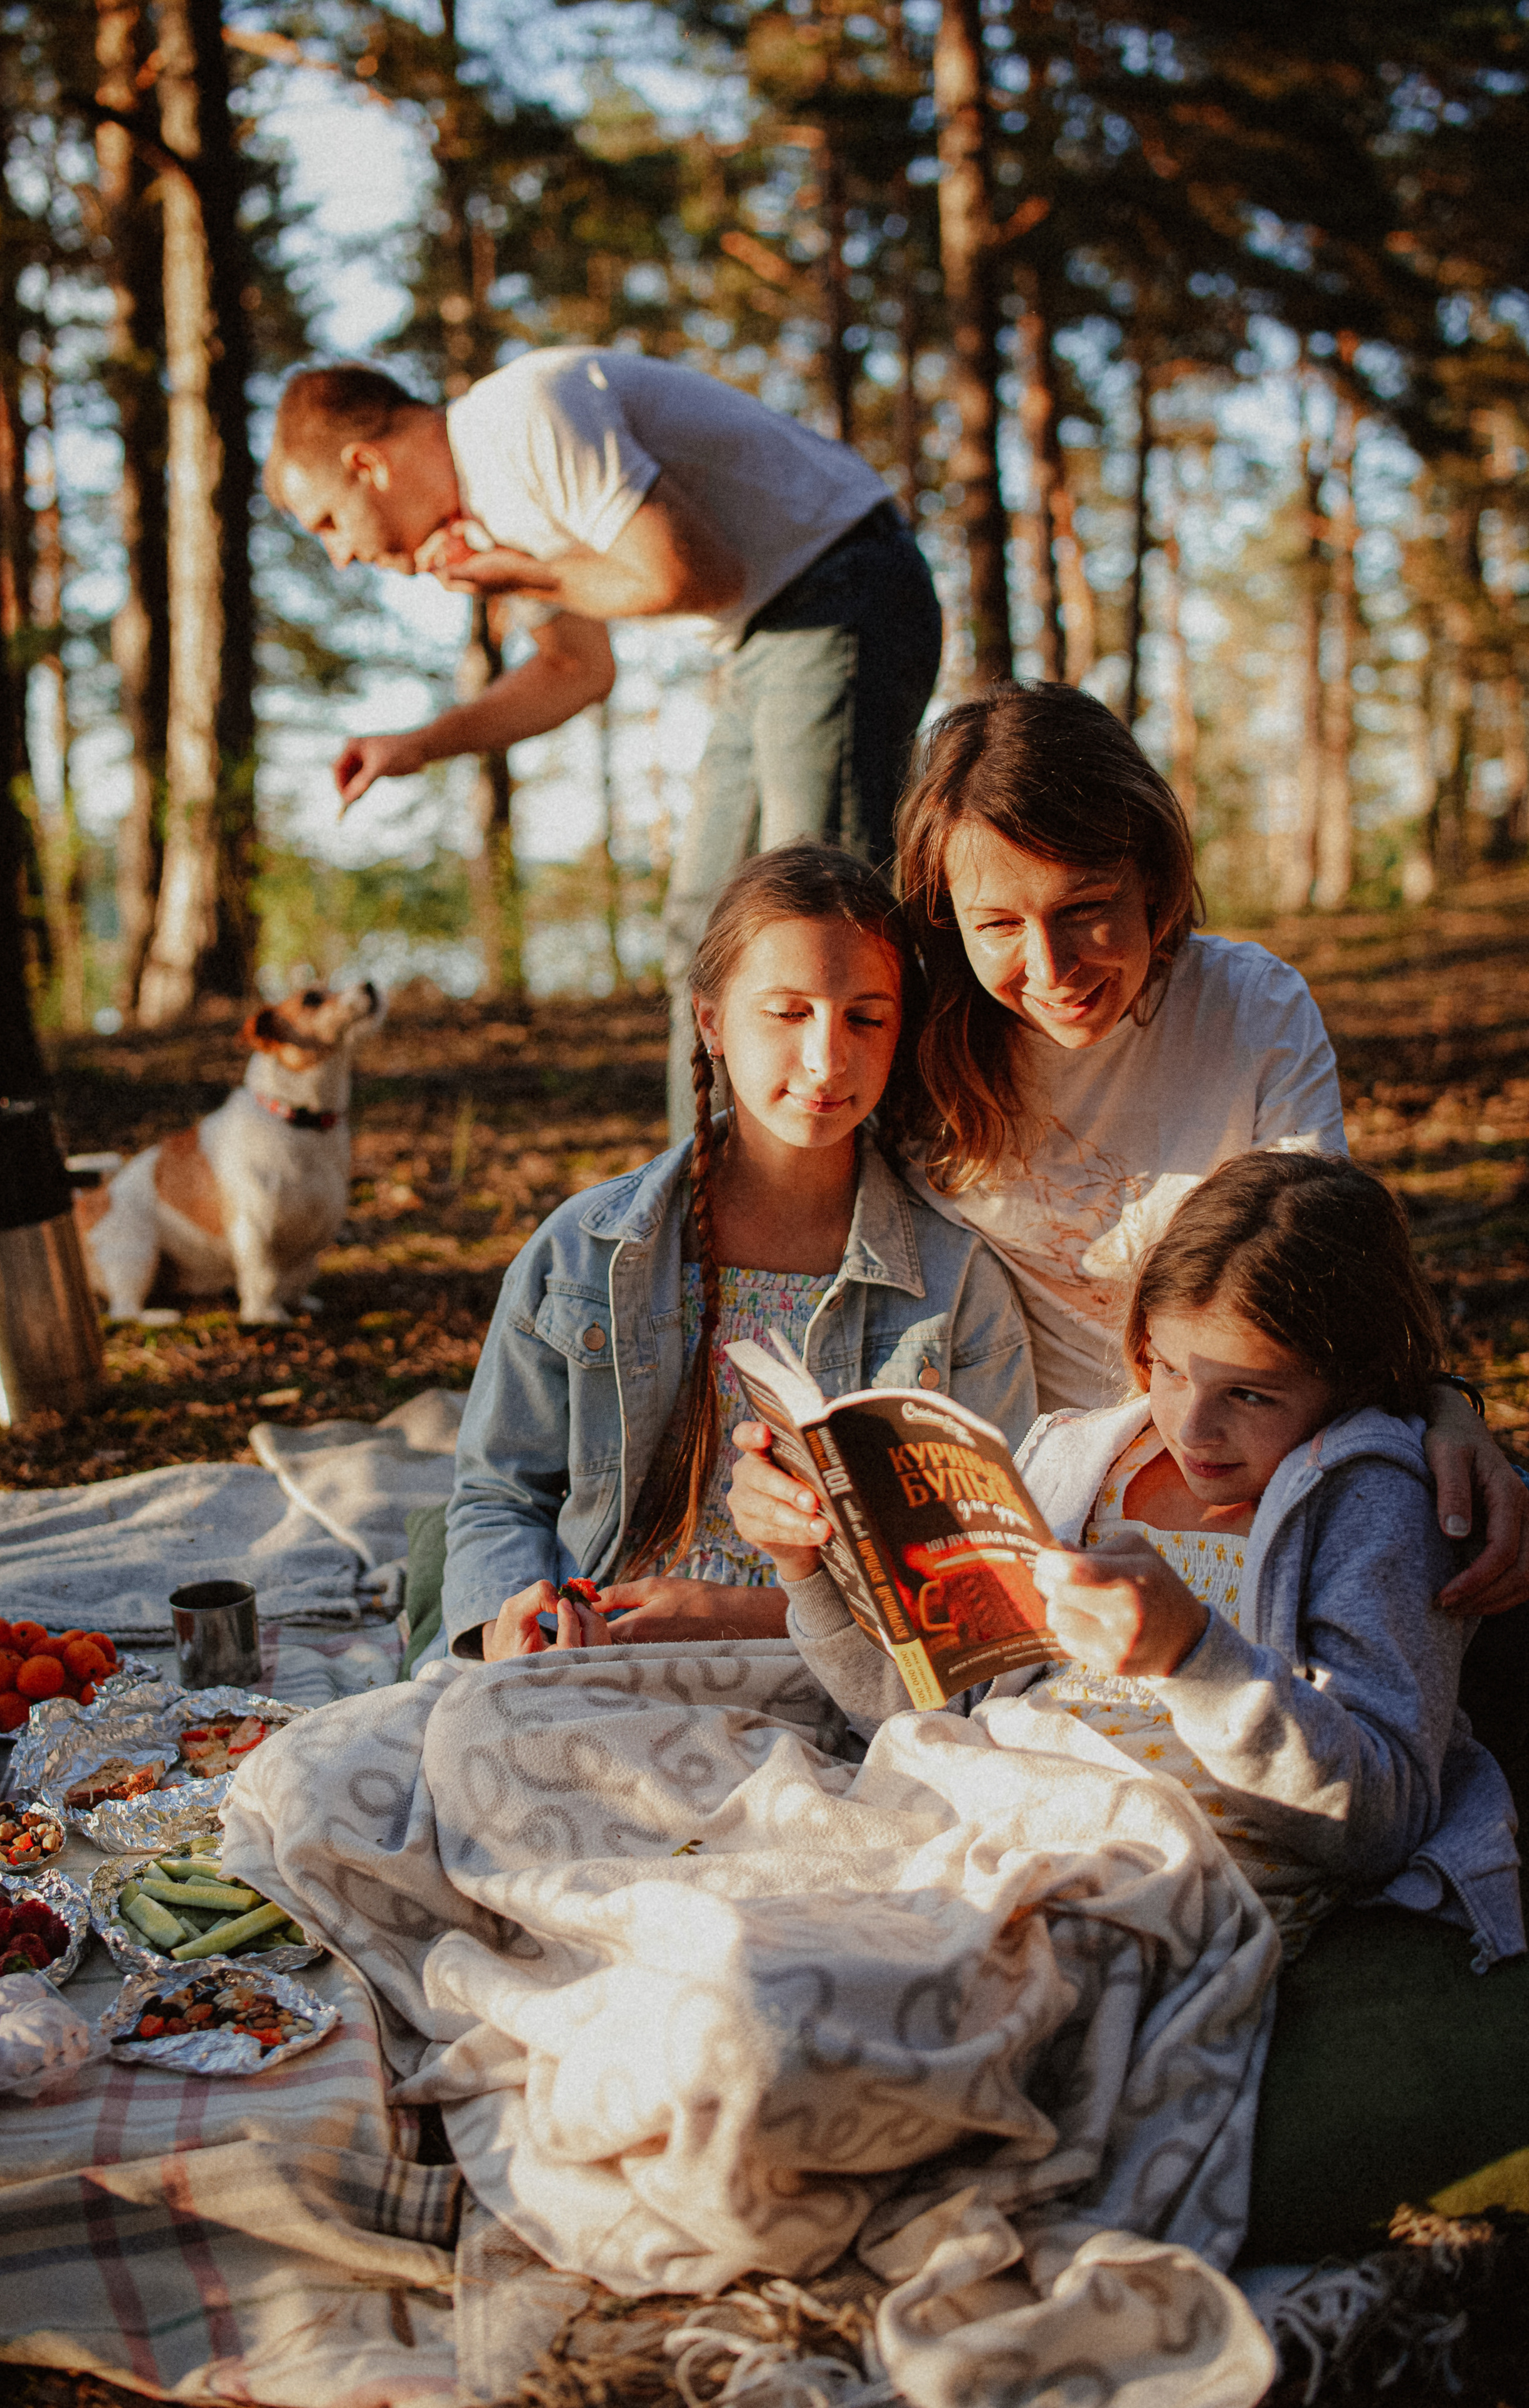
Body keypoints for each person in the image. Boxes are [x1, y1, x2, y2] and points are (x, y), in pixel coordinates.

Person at [731, 1151, 1524, 1969]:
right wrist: (806, 1567)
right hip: (973, 1808)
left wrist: (1196, 1658)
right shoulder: (1078, 1460)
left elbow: (1381, 1820)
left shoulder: (1372, 1503)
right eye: (1170, 1370)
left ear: (1350, 1379)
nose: (1193, 1427)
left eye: (1249, 1394)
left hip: (1154, 1869)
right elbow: (923, 1711)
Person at [889, 678, 1529, 1613]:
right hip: (1047, 1505)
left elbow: (1328, 1279)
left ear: (1153, 877)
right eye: (998, 925)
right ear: (947, 916)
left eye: (1085, 907)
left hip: (1266, 1473)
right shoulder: (910, 1051)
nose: (1052, 968)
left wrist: (1441, 1406)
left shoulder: (1248, 1008)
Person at [263, 351, 943, 1137]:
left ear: (366, 465)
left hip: (843, 587)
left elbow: (699, 575)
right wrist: (417, 745)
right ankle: (702, 1189)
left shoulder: (522, 419)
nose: (340, 555)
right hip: (760, 637)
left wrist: (527, 576)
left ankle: (888, 1177)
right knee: (708, 935)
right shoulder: (484, 522)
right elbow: (574, 670)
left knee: (819, 923)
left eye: (328, 523)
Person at [435, 842, 1032, 1662]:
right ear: (711, 1021)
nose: (826, 1059)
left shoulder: (957, 1285)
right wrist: (506, 1633)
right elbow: (499, 1493)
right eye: (787, 1012)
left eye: (866, 1018)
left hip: (843, 1680)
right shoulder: (581, 1252)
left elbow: (982, 1574)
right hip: (593, 1663)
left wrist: (734, 1615)